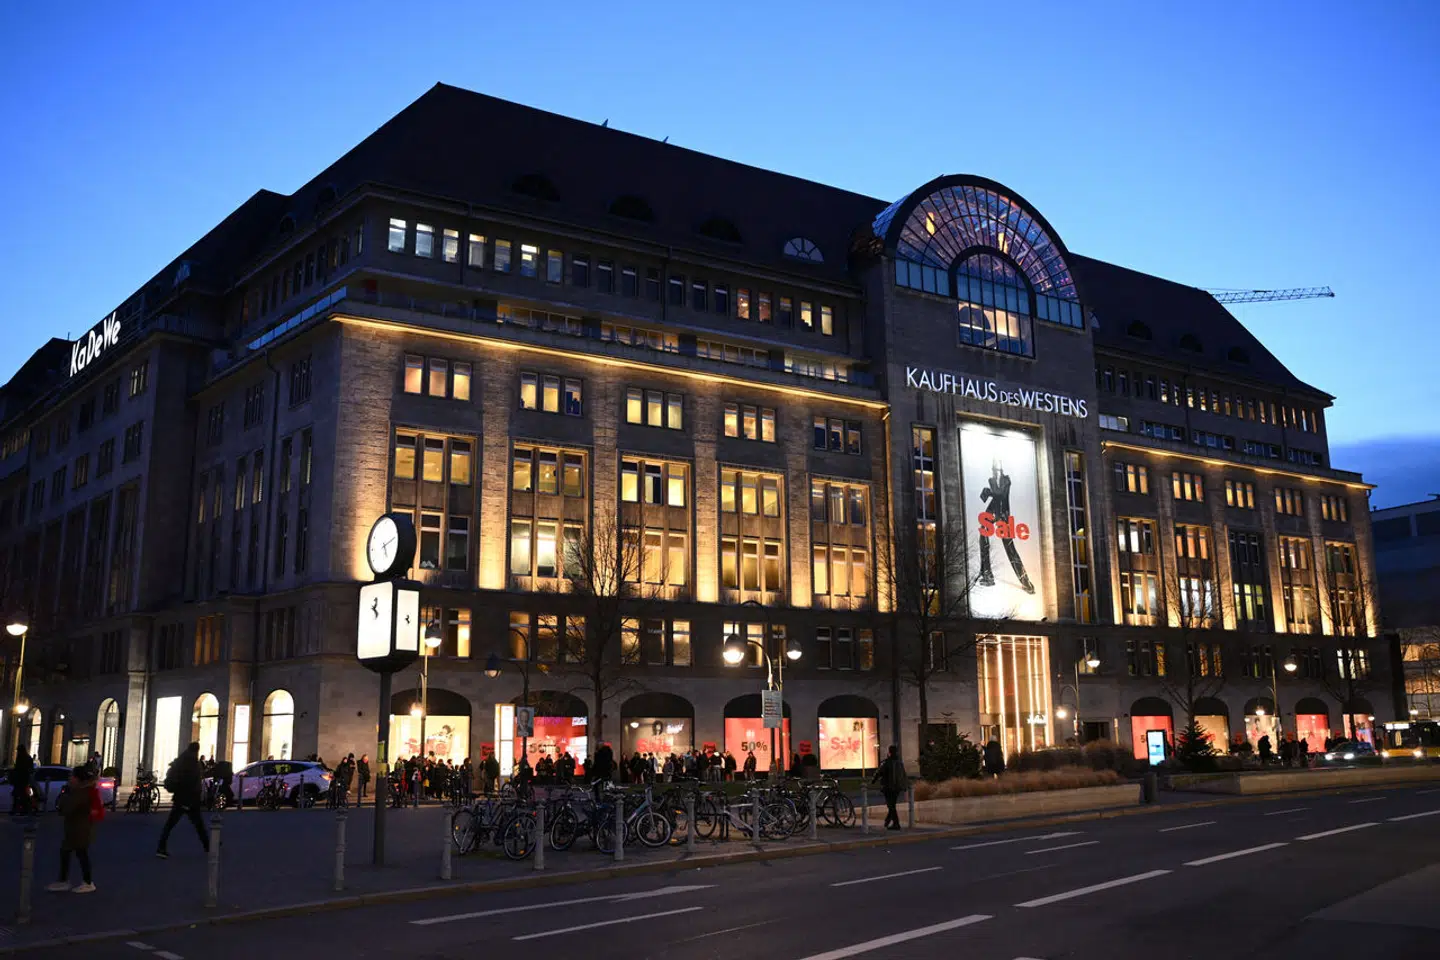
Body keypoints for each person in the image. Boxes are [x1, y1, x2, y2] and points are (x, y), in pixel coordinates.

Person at [977, 459, 1036, 594]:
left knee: (1010, 549)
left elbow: (999, 494)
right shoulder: (993, 480)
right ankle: (987, 574)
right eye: (993, 470)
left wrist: (989, 489)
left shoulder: (1006, 480)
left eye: (996, 470)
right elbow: (995, 496)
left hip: (1003, 516)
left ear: (1001, 470)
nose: (994, 472)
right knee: (983, 536)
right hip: (992, 513)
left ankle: (1026, 582)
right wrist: (987, 492)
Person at [48, 766, 100, 893]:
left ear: (78, 778)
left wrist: (64, 796)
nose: (70, 778)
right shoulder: (80, 790)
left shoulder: (81, 792)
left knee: (80, 854)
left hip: (80, 829)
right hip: (76, 828)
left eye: (72, 776)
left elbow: (66, 808)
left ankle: (86, 882)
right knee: (70, 852)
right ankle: (64, 880)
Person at [157, 742, 209, 859]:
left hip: (183, 798)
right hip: (187, 799)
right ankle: (208, 845)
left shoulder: (183, 758)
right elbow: (190, 781)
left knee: (175, 824)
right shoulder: (191, 762)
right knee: (196, 824)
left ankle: (208, 845)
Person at [872, 746, 907, 830]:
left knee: (891, 806)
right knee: (892, 805)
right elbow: (903, 775)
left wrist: (873, 781)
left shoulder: (887, 762)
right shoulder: (899, 762)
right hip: (897, 788)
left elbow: (879, 772)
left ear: (889, 752)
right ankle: (887, 821)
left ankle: (896, 824)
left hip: (888, 787)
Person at [9, 747, 35, 816]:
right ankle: (22, 810)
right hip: (23, 780)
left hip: (22, 780)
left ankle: (20, 809)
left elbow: (18, 769)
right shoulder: (26, 758)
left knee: (21, 795)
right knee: (22, 796)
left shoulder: (22, 758)